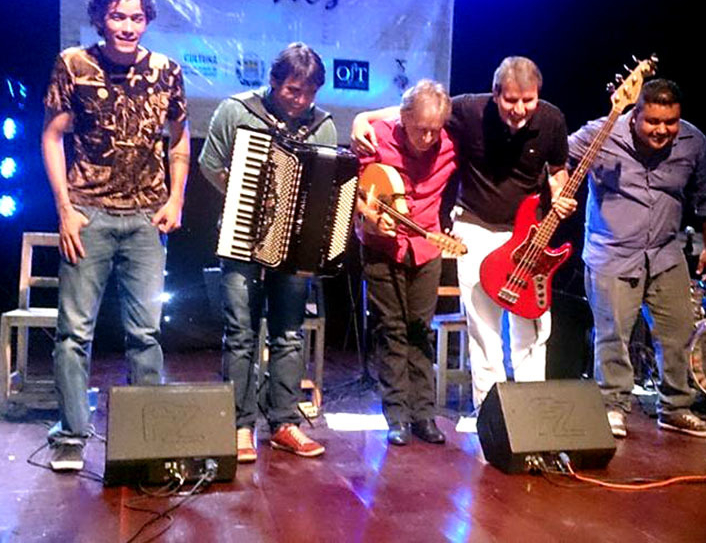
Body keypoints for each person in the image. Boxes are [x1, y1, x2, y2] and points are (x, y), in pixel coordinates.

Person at [352, 57, 577, 410]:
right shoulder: (470, 109)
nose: (520, 110)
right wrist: (363, 118)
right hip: (475, 224)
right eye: (511, 100)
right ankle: (490, 412)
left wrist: (560, 192)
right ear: (495, 93)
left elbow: (558, 169)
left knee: (531, 325)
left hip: (528, 234)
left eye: (528, 100)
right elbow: (417, 111)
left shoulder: (552, 119)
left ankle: (533, 411)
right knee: (483, 328)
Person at [41, 0, 190, 471]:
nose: (128, 26)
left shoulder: (167, 70)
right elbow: (52, 136)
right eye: (118, 16)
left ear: (147, 20)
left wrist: (176, 199)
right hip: (89, 214)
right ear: (101, 18)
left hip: (147, 218)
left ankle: (144, 435)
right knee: (73, 334)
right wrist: (65, 209)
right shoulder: (74, 64)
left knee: (146, 333)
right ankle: (71, 435)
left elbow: (179, 138)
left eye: (136, 17)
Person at [199, 43, 334, 462]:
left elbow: (328, 184)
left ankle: (284, 423)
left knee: (289, 333)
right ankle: (239, 425)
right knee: (241, 332)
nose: (301, 100)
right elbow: (209, 163)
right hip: (242, 237)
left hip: (294, 245)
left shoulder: (323, 126)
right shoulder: (237, 110)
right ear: (274, 81)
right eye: (293, 90)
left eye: (309, 92)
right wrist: (242, 197)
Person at [569, 78, 706, 438]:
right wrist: (558, 184)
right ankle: (612, 406)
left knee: (678, 333)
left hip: (665, 253)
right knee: (613, 337)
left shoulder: (693, 141)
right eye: (653, 121)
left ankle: (675, 408)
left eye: (670, 122)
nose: (662, 130)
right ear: (635, 115)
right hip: (612, 252)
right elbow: (556, 153)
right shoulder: (603, 132)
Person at [356, 79, 456, 445]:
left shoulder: (450, 144)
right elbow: (355, 190)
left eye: (434, 130)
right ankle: (397, 416)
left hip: (425, 248)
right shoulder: (377, 138)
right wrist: (370, 216)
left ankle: (424, 414)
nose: (428, 138)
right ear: (404, 118)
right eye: (420, 129)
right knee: (391, 329)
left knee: (420, 330)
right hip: (381, 248)